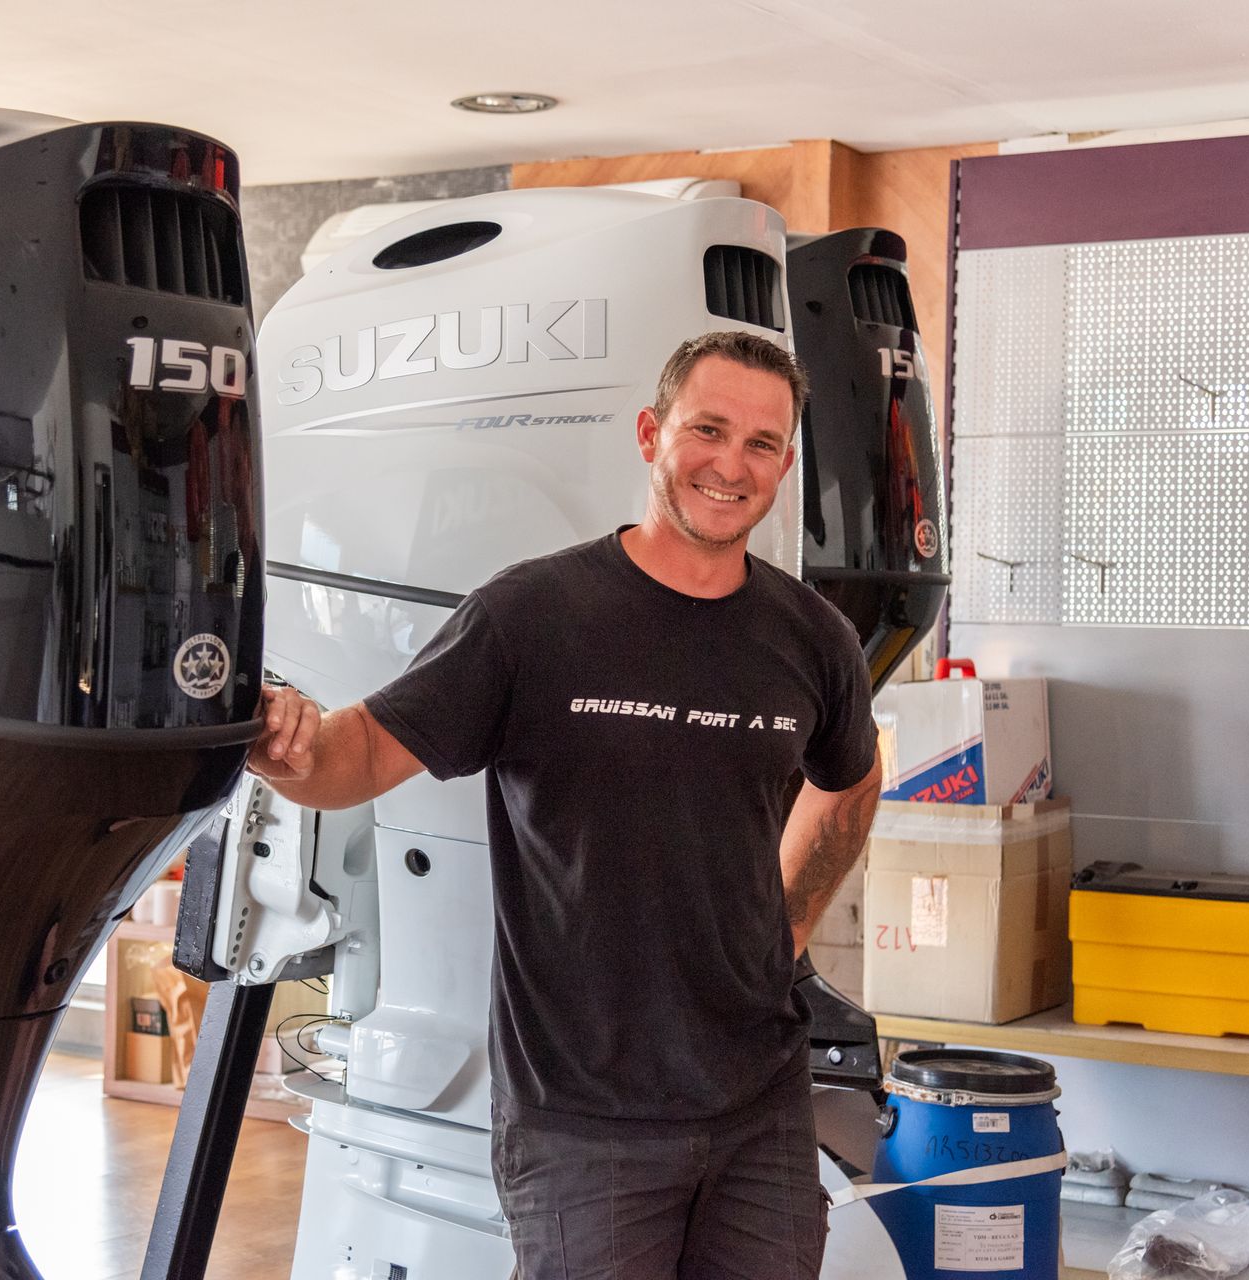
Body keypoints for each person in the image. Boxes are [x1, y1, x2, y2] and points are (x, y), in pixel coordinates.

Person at [247, 329, 883, 1280]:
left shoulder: (811, 638)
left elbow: (852, 779)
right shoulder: (534, 616)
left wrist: (784, 926)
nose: (730, 464)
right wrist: (288, 747)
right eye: (707, 429)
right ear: (649, 433)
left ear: (785, 465)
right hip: (585, 1120)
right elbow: (360, 754)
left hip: (760, 1105)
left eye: (761, 444)